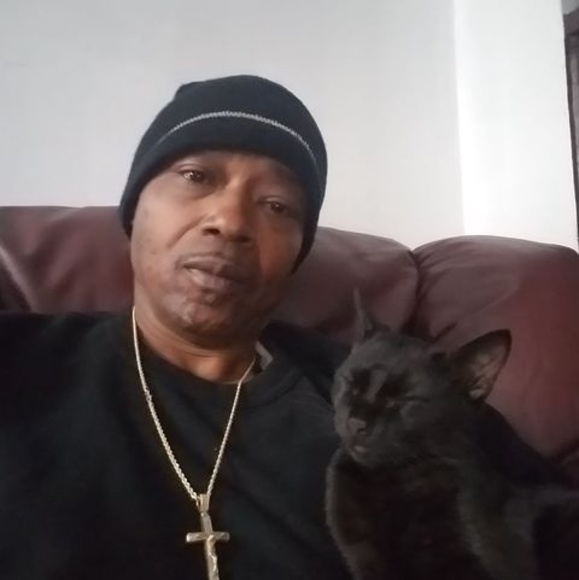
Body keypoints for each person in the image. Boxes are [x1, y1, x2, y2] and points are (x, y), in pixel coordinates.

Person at [0, 75, 569, 580]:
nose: (230, 221)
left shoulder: (379, 386)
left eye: (276, 205)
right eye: (196, 176)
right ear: (134, 207)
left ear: (298, 249)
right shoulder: (20, 360)